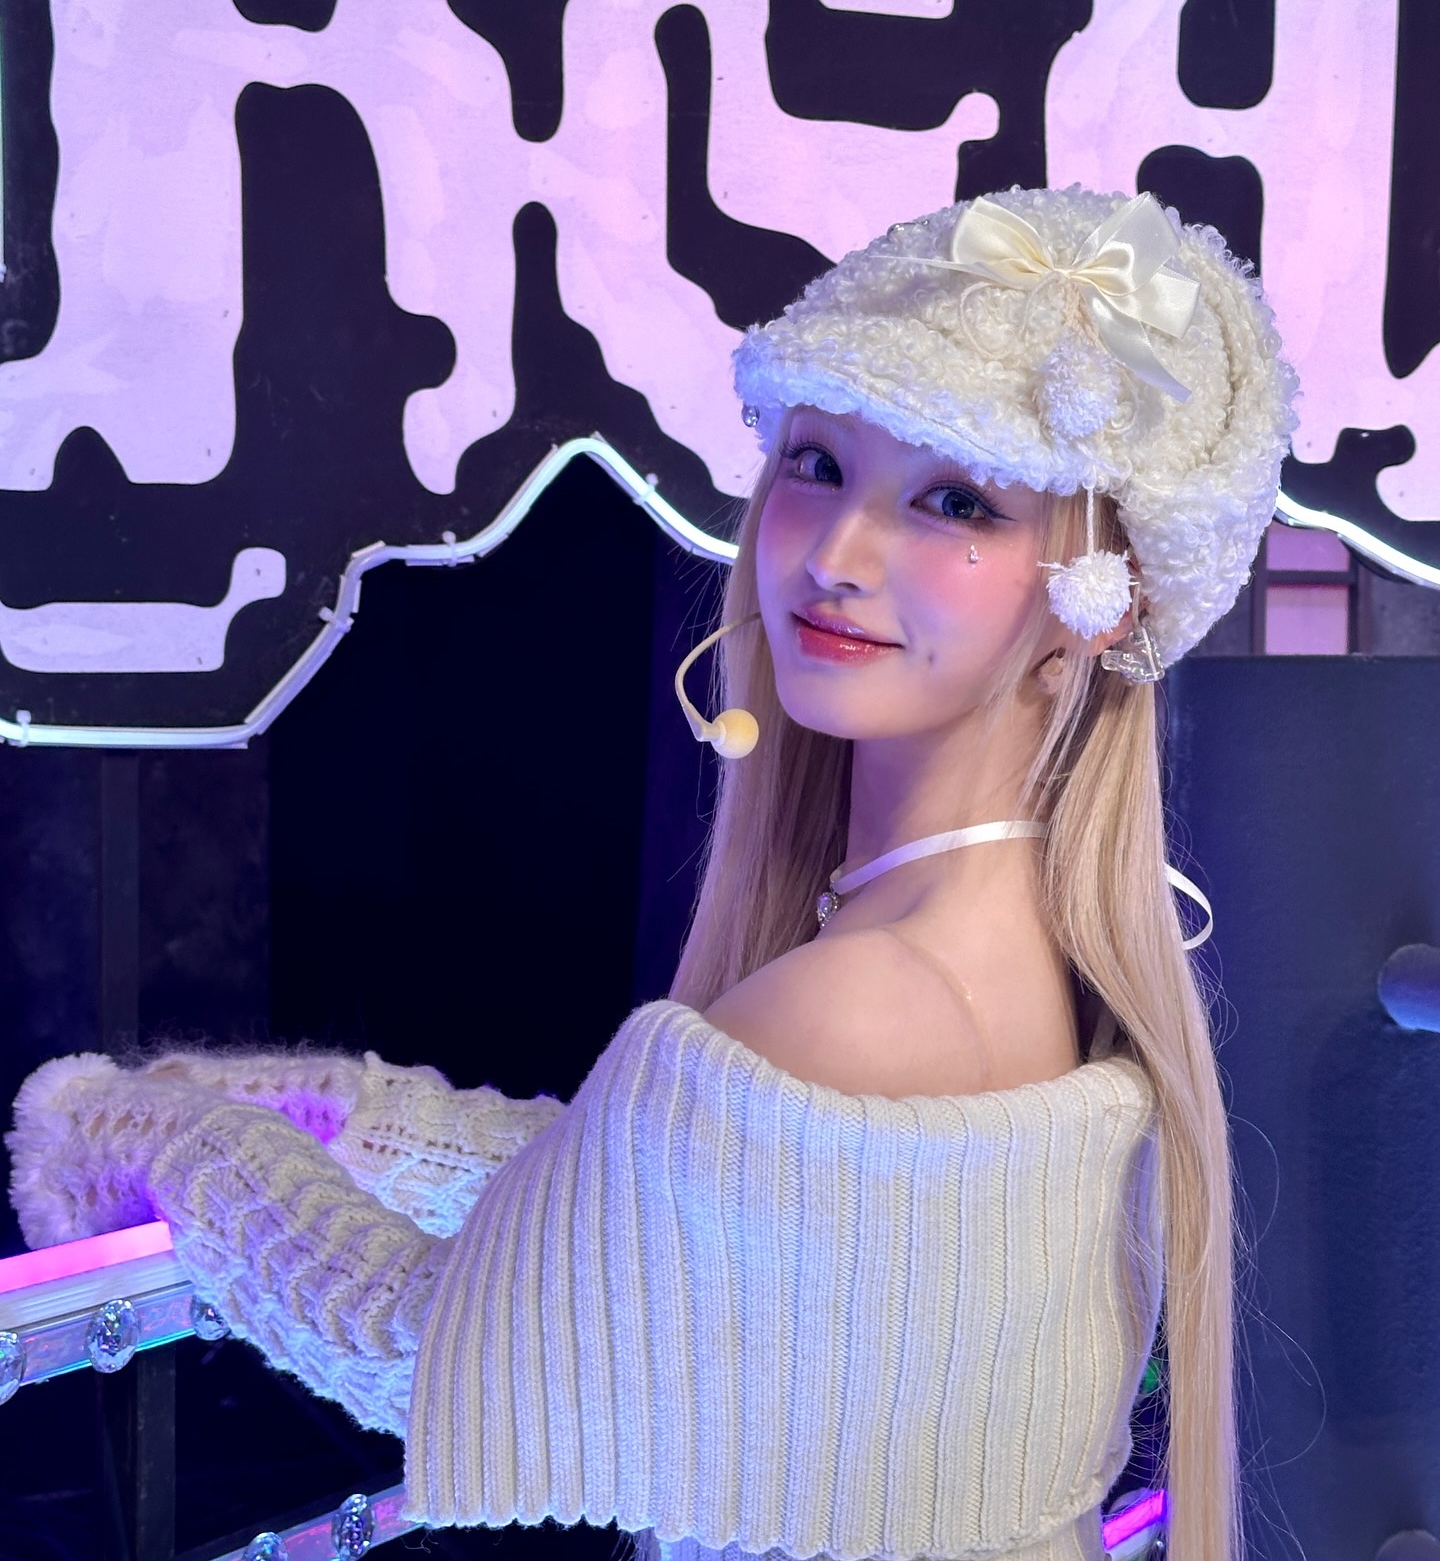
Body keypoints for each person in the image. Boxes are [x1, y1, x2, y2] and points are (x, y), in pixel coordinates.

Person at [5, 186, 1296, 1561]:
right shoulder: (1009, 942)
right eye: (815, 464)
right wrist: (351, 1120)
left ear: (1094, 599)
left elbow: (416, 1340)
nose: (835, 555)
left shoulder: (868, 994)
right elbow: (669, 1204)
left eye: (954, 500)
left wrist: (159, 1142)